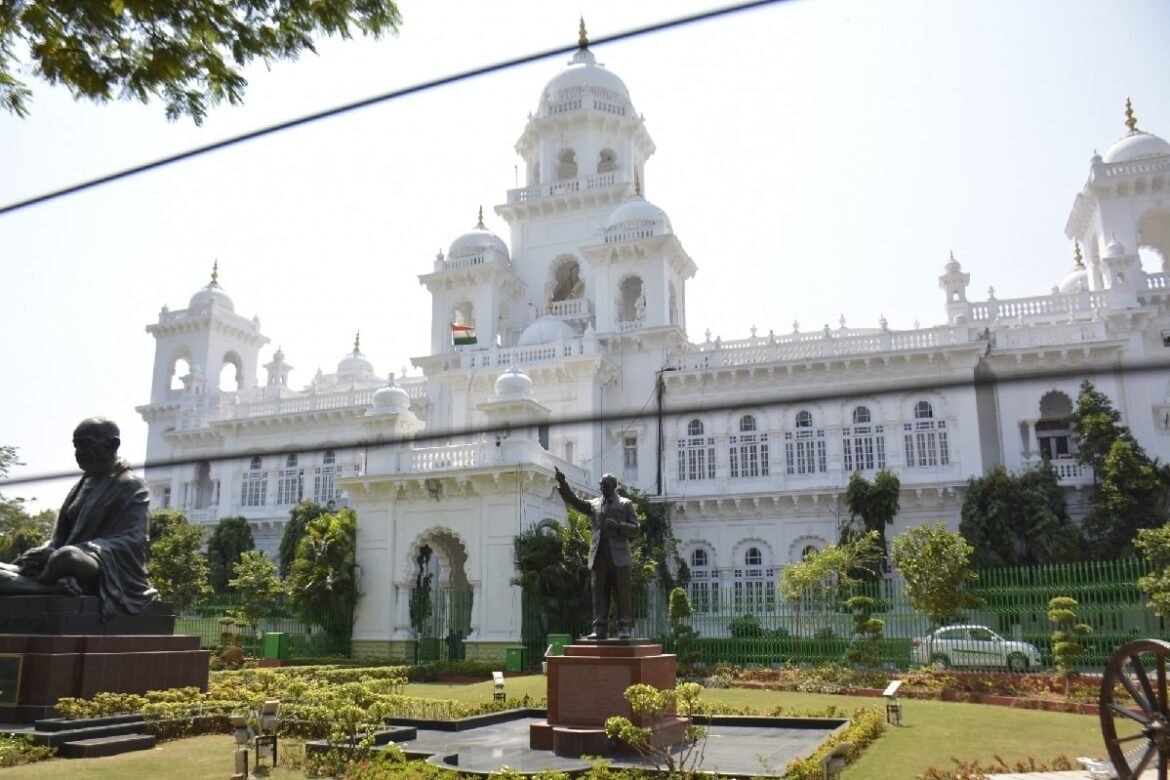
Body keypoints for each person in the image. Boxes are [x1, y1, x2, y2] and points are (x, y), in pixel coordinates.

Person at [0, 418, 158, 620]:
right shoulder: (80, 486)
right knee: (55, 556)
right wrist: (45, 550)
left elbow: (135, 541)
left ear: (112, 445)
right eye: (76, 446)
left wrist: (86, 550)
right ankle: (51, 588)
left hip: (98, 565)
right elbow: (59, 538)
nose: (79, 452)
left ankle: (40, 583)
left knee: (68, 556)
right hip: (58, 565)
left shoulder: (130, 485)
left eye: (86, 444)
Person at [553, 468, 640, 640]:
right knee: (599, 593)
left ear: (614, 486)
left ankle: (624, 627)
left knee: (621, 593)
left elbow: (636, 529)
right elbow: (575, 501)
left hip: (619, 557)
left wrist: (618, 526)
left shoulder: (625, 504)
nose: (602, 486)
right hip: (599, 555)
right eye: (601, 484)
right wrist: (563, 484)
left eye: (605, 484)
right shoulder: (594, 505)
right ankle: (599, 628)